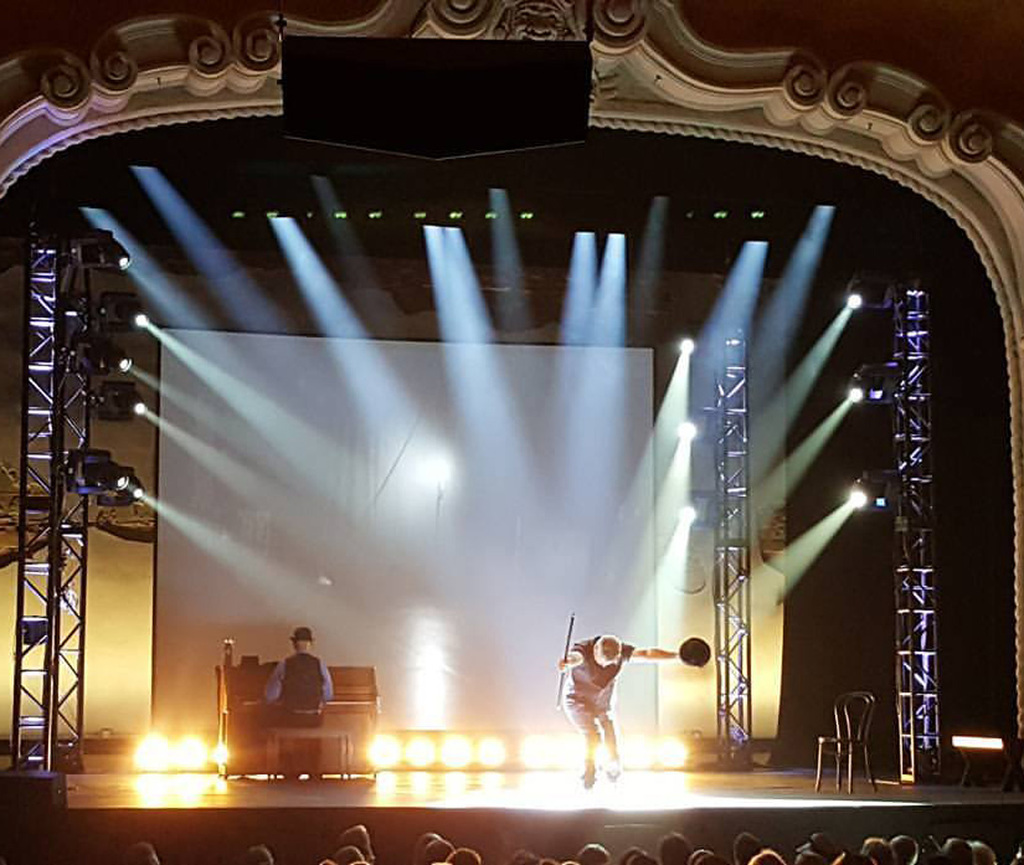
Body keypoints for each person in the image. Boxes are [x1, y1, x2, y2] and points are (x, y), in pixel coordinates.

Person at [557, 633, 677, 787]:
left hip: (602, 700)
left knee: (609, 731)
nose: (606, 666)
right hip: (577, 699)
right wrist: (568, 662)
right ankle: (589, 770)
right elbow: (576, 657)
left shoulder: (620, 651)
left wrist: (677, 656)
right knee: (593, 734)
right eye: (603, 662)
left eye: (611, 663)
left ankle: (613, 767)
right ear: (595, 650)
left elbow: (647, 654)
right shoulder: (583, 650)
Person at [264, 626, 334, 726]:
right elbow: (328, 695)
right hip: (314, 719)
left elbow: (271, 695)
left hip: (291, 716)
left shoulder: (284, 664)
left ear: (294, 644)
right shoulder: (320, 664)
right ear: (311, 644)